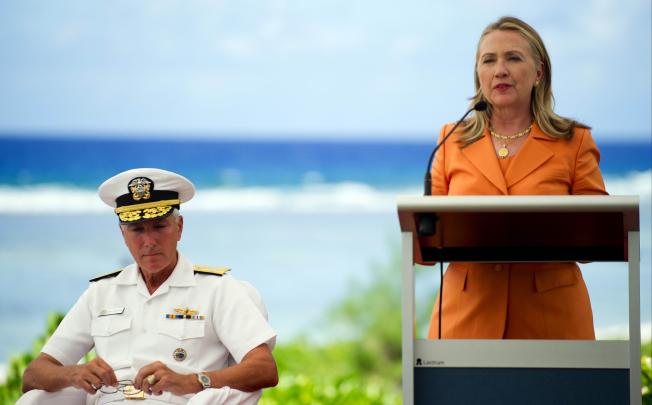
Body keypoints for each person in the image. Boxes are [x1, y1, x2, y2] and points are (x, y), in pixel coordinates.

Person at [19, 168, 278, 404]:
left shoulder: (216, 289)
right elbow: (34, 374)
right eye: (137, 229)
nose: (149, 241)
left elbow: (264, 368)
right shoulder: (102, 292)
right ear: (123, 235)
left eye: (159, 226)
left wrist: (192, 381)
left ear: (179, 227)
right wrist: (73, 374)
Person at [427, 16, 607, 340]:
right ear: (478, 74)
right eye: (489, 60)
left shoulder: (575, 140)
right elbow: (426, 244)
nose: (500, 70)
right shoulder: (450, 139)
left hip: (552, 323)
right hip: (465, 322)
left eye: (513, 57)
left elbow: (596, 240)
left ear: (538, 72)